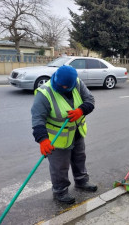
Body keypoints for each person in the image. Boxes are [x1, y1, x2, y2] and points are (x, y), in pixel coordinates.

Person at [31, 65, 97, 204]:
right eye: (61, 85)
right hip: (57, 138)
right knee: (59, 166)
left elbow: (90, 100)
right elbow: (38, 119)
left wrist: (81, 110)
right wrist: (42, 139)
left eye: (67, 86)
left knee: (79, 158)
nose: (64, 88)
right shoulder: (44, 93)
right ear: (55, 78)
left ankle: (81, 181)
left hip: (76, 132)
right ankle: (60, 192)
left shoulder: (78, 83)